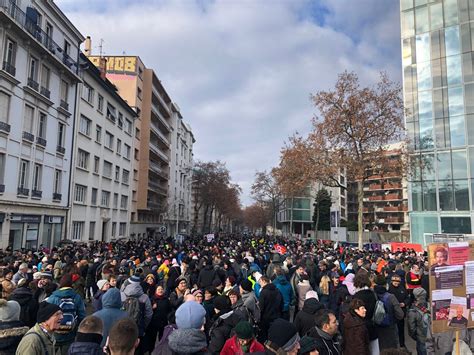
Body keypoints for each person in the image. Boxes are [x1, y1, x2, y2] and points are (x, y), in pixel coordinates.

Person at [47, 273, 86, 355]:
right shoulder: (76, 297)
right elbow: (82, 315)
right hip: (70, 332)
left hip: (55, 331)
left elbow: (46, 314)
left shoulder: (53, 297)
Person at [373, 275, 404, 351]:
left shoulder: (372, 295)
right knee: (392, 349)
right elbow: (400, 315)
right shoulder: (391, 297)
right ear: (385, 284)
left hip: (376, 328)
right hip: (391, 327)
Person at [388, 274, 410, 349]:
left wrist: (404, 303)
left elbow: (407, 298)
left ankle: (402, 344)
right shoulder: (389, 289)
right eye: (394, 281)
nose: (396, 282)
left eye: (397, 281)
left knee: (401, 330)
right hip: (392, 314)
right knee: (393, 331)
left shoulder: (402, 288)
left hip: (401, 313)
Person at [258, 276, 283, 342]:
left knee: (266, 337)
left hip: (266, 319)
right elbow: (281, 304)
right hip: (277, 317)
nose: (259, 283)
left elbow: (261, 307)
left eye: (260, 281)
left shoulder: (263, 292)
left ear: (264, 281)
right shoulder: (277, 290)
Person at [407, 288, 429, 355]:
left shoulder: (412, 311)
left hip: (421, 338)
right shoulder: (429, 305)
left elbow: (411, 329)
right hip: (427, 337)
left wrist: (417, 336)